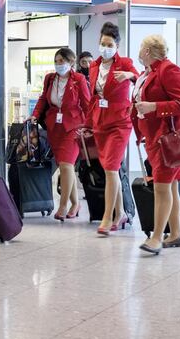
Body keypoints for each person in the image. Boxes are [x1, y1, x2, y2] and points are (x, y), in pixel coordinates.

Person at [132, 34, 180, 255]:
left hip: (168, 139)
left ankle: (157, 237)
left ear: (147, 51)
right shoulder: (147, 73)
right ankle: (175, 233)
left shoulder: (169, 70)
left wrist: (153, 107)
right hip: (155, 137)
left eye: (141, 47)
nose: (139, 51)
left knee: (161, 186)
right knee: (171, 185)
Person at [88, 22, 138, 235]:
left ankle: (107, 217)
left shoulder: (125, 63)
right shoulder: (94, 66)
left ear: (117, 45)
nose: (105, 47)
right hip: (100, 122)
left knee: (110, 168)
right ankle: (121, 214)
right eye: (102, 43)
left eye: (109, 44)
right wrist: (87, 123)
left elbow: (139, 76)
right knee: (112, 170)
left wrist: (129, 75)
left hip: (119, 122)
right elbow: (93, 98)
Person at [31, 47, 90, 221]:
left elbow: (87, 104)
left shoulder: (78, 79)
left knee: (66, 165)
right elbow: (43, 98)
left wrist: (88, 125)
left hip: (73, 126)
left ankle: (63, 205)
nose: (59, 65)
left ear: (71, 62)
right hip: (54, 127)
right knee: (66, 167)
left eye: (62, 61)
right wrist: (35, 115)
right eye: (56, 61)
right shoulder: (50, 78)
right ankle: (75, 203)